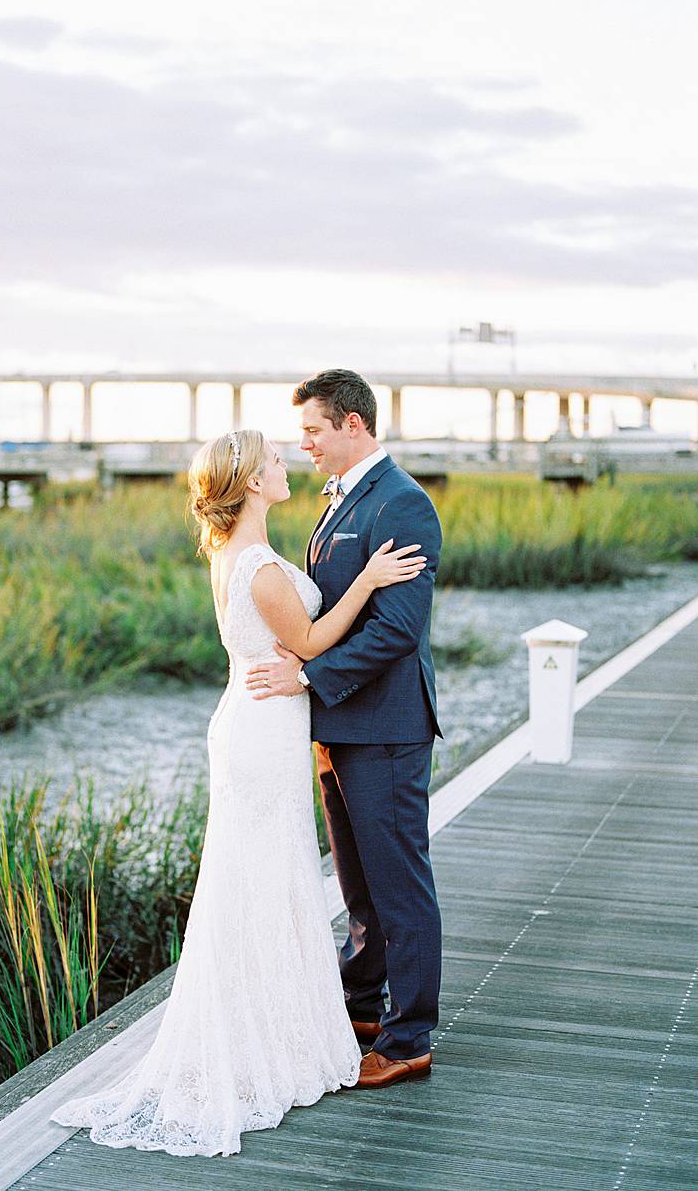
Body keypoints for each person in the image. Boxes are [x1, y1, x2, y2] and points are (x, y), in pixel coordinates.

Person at [50, 427, 427, 1156]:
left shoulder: (241, 554)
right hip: (262, 728)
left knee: (265, 874)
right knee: (263, 874)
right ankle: (262, 1040)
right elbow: (312, 641)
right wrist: (369, 582)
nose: (289, 463)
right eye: (277, 460)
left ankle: (274, 1021)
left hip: (261, 722)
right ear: (253, 481)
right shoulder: (254, 563)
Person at [246, 368, 443, 1089]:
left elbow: (398, 629)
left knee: (398, 884)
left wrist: (307, 677)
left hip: (385, 727)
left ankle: (410, 1035)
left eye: (313, 431)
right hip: (339, 727)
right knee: (358, 886)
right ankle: (361, 1004)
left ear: (353, 424)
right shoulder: (341, 499)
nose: (305, 447)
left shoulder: (402, 505)